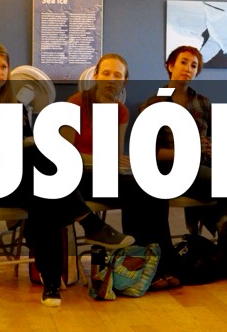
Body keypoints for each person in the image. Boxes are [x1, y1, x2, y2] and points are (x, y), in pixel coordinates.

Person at [0, 41, 133, 306]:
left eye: (3, 67)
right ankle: (88, 224)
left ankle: (51, 284)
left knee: (44, 193)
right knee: (42, 180)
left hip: (20, 182)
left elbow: (28, 143)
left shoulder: (16, 107)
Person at [64, 53, 182, 290]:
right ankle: (138, 267)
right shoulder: (75, 103)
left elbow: (114, 157)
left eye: (117, 75)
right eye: (106, 73)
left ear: (125, 81)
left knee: (152, 188)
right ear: (96, 76)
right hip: (76, 180)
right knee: (136, 192)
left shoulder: (121, 111)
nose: (111, 79)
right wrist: (102, 160)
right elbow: (63, 155)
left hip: (104, 176)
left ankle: (159, 262)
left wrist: (125, 164)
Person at [139, 46, 227, 281]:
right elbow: (150, 154)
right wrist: (188, 149)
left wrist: (213, 146)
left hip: (205, 165)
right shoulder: (153, 103)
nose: (188, 69)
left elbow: (214, 139)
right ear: (170, 65)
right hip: (173, 170)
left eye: (194, 65)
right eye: (183, 62)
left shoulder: (203, 102)